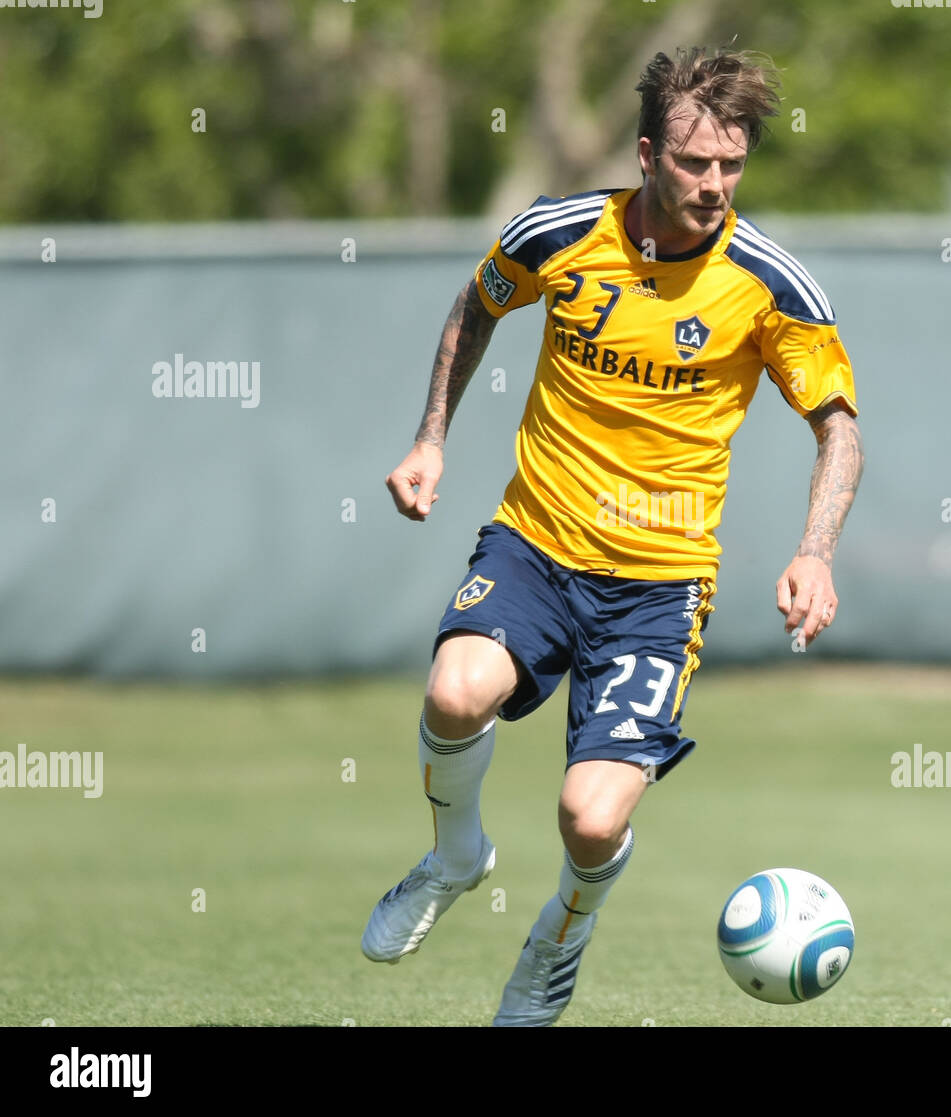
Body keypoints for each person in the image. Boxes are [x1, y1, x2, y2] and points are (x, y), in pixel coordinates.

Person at [361, 45, 863, 1026]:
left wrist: (814, 550)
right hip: (535, 542)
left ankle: (562, 932)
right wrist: (430, 439)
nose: (714, 184)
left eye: (730, 165)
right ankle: (456, 854)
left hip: (658, 587)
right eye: (692, 163)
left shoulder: (771, 285)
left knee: (588, 818)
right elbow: (478, 303)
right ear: (646, 154)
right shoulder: (561, 234)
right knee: (455, 691)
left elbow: (837, 424)